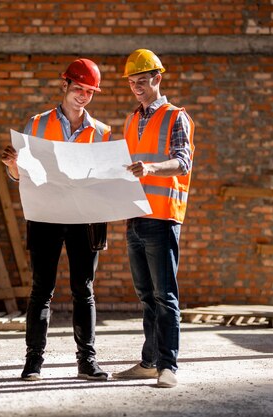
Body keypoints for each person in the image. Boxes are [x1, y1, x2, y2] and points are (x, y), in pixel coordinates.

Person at [1, 58, 111, 381]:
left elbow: (106, 179)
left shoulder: (101, 133)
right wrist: (12, 165)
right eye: (79, 89)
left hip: (84, 218)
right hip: (46, 216)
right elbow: (23, 176)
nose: (83, 96)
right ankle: (33, 362)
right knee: (41, 289)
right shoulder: (36, 125)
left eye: (90, 92)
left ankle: (86, 362)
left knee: (84, 290)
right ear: (64, 86)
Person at [111, 49, 195, 388]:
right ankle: (149, 362)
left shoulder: (176, 117)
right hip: (134, 218)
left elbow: (183, 162)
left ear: (157, 79)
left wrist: (152, 168)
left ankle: (168, 366)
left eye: (142, 81)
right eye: (132, 83)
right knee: (146, 296)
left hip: (161, 219)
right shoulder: (131, 119)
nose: (136, 87)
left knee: (165, 296)